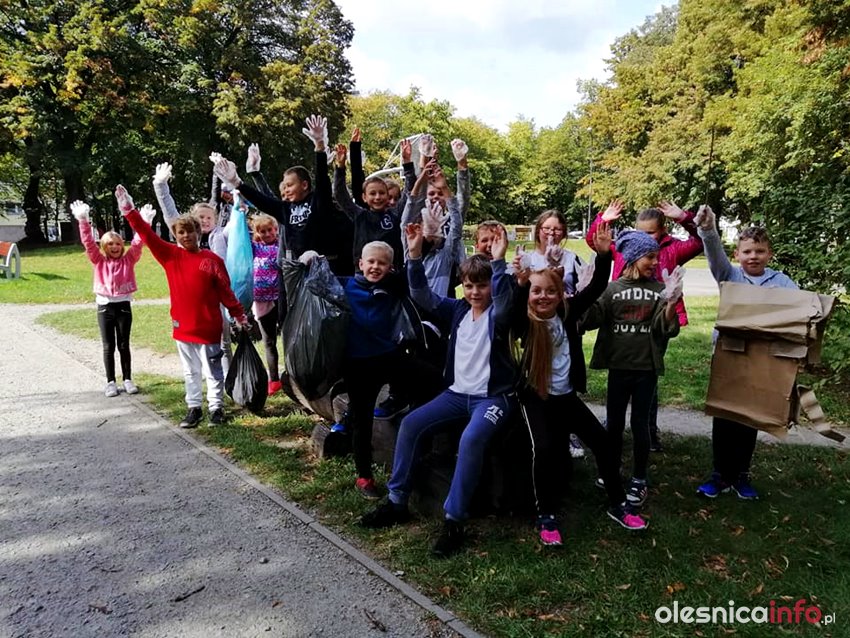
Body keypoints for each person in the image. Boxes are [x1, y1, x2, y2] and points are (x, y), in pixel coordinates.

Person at [360, 223, 517, 559]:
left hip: (492, 398)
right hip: (457, 394)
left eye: (483, 285)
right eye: (469, 285)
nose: (475, 292)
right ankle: (397, 501)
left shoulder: (500, 314)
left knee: (471, 439)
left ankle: (454, 520)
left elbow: (505, 304)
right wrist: (415, 256)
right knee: (411, 423)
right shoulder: (458, 310)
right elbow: (423, 296)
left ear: (492, 285)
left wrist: (500, 262)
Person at [512, 222, 648, 545]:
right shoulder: (524, 321)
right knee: (544, 450)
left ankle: (618, 503)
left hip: (565, 396)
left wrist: (604, 255)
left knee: (603, 442)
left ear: (560, 294)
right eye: (536, 291)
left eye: (551, 291)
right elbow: (513, 309)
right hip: (536, 397)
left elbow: (597, 286)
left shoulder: (567, 314)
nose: (543, 297)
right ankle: (546, 515)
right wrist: (520, 284)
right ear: (529, 295)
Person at [300, 241, 441, 500]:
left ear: (390, 267)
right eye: (371, 262)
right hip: (357, 365)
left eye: (382, 263)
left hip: (388, 357)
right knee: (361, 420)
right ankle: (364, 476)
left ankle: (423, 433)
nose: (376, 267)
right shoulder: (345, 285)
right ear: (361, 263)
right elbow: (316, 282)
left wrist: (416, 249)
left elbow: (414, 275)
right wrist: (310, 258)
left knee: (432, 379)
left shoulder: (393, 285)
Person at [115, 185, 249, 428]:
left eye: (190, 231)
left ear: (199, 232)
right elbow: (147, 234)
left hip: (209, 327)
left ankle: (216, 407)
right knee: (190, 371)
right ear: (175, 235)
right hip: (183, 327)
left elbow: (226, 292)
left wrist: (239, 315)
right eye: (181, 232)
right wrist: (128, 210)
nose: (186, 236)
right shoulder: (170, 256)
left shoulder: (212, 260)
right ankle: (194, 407)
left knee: (213, 369)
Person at [694, 206, 798, 500]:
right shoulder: (729, 276)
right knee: (725, 416)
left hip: (762, 361)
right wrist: (708, 229)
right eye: (748, 251)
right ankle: (719, 475)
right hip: (729, 357)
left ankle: (741, 475)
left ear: (769, 254)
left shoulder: (782, 282)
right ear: (737, 254)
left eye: (760, 251)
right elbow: (714, 254)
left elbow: (800, 311)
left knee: (749, 419)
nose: (754, 256)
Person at [588, 200, 704, 451]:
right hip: (624, 320)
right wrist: (603, 220)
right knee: (621, 378)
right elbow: (595, 242)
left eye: (650, 232)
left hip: (658, 320)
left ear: (662, 230)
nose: (645, 237)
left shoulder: (672, 249)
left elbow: (700, 240)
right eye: (640, 231)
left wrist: (684, 217)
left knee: (648, 374)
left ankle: (648, 429)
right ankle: (615, 426)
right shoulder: (627, 247)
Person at [581, 230, 683, 508]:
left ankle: (639, 477)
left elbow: (665, 329)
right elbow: (589, 320)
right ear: (634, 257)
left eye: (656, 256)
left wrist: (671, 303)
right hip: (618, 367)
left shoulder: (658, 289)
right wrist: (585, 293)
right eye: (650, 257)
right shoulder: (612, 289)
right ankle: (611, 470)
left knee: (640, 424)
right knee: (613, 424)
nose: (655, 262)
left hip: (645, 369)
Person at [213, 115, 355, 278]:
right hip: (299, 271)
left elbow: (322, 179)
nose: (286, 190)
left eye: (289, 185)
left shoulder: (318, 201)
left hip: (328, 270)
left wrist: (319, 146)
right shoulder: (285, 209)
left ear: (304, 185)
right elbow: (262, 200)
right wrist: (237, 183)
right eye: (284, 186)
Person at [152, 162, 234, 375]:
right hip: (194, 303)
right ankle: (206, 377)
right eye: (201, 218)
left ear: (215, 219)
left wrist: (230, 184)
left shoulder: (221, 235)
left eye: (209, 217)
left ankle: (229, 378)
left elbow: (236, 218)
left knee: (224, 342)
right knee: (196, 346)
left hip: (218, 299)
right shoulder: (184, 239)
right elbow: (169, 212)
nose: (205, 221)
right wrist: (160, 186)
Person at [72, 199, 147, 397]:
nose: (115, 247)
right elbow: (88, 243)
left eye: (118, 243)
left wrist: (144, 223)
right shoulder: (98, 260)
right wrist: (83, 220)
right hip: (105, 307)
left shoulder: (129, 259)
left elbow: (138, 243)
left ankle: (128, 379)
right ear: (104, 246)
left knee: (124, 345)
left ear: (122, 245)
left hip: (123, 306)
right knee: (108, 346)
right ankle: (111, 382)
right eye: (110, 244)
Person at [333, 140, 414, 272]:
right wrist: (340, 167)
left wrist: (407, 163)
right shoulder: (360, 215)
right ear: (364, 197)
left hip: (391, 273)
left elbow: (409, 192)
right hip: (363, 274)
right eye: (372, 193)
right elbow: (340, 194)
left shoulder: (395, 214)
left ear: (387, 195)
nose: (377, 197)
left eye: (382, 193)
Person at [249, 213, 284, 396]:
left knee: (289, 337)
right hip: (262, 301)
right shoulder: (254, 248)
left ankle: (293, 375)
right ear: (257, 233)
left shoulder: (282, 245)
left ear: (275, 229)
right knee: (269, 341)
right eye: (263, 231)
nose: (267, 234)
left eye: (270, 230)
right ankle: (274, 379)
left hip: (281, 298)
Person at [525, 209, 584, 295]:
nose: (551, 233)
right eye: (546, 228)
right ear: (538, 231)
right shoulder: (527, 259)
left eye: (557, 229)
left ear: (563, 234)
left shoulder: (572, 258)